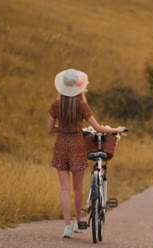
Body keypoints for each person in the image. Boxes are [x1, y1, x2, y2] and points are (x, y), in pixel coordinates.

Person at [48, 69, 126, 238]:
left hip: (61, 146)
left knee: (65, 189)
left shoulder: (56, 105)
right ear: (78, 86)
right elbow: (98, 128)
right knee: (77, 188)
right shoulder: (82, 106)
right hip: (77, 146)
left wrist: (64, 128)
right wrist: (116, 129)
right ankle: (78, 223)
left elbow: (50, 129)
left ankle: (67, 227)